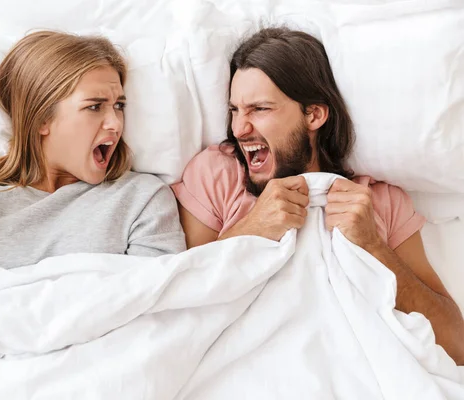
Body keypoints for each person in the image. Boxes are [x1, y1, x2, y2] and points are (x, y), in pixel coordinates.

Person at [172, 27, 464, 364]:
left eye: (259, 109)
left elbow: (456, 344)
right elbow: (178, 304)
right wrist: (251, 229)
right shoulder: (218, 173)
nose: (239, 128)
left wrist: (373, 247)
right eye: (235, 110)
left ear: (314, 114)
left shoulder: (377, 201)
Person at [0, 31, 186, 317]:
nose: (115, 123)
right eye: (95, 106)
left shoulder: (141, 198)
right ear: (43, 118)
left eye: (119, 105)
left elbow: (154, 310)